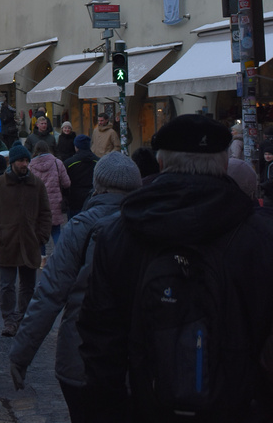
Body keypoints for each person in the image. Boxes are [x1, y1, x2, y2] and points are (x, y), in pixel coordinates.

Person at [78, 115, 273, 423]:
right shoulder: (261, 236)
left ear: (161, 163)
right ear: (224, 165)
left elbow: (99, 340)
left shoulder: (119, 234)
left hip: (145, 406)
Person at [9, 152, 142, 420]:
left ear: (98, 186)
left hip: (82, 359)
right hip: (140, 362)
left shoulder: (82, 226)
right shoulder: (149, 225)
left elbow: (49, 295)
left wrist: (20, 355)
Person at [0, 143, 51, 337]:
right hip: (7, 243)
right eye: (20, 160)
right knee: (7, 286)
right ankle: (9, 320)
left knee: (28, 286)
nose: (24, 164)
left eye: (27, 160)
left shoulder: (36, 185)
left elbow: (46, 213)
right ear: (12, 162)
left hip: (30, 243)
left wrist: (41, 236)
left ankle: (22, 319)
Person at [28, 141, 71, 258]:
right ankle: (60, 255)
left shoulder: (31, 165)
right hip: (55, 201)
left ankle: (42, 258)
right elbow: (66, 183)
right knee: (56, 230)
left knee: (39, 231)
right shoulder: (57, 163)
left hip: (38, 203)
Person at [62, 135, 98, 215]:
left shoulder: (69, 163)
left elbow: (64, 183)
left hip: (74, 200)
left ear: (76, 146)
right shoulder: (98, 161)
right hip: (93, 199)